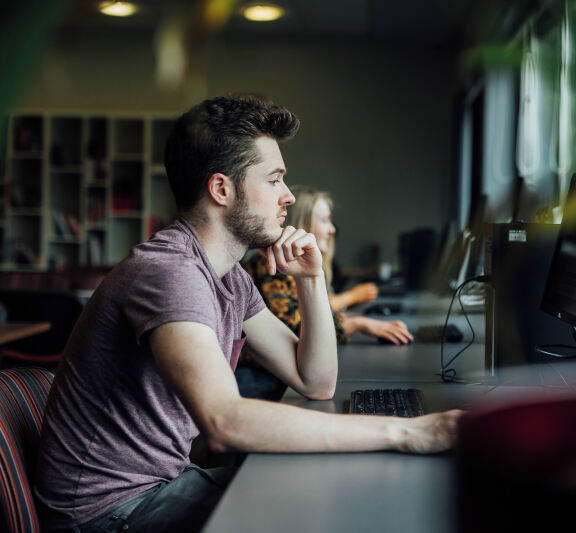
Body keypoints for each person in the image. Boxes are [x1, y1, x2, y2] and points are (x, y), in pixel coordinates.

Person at [34, 94, 462, 533]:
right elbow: (226, 422)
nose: (289, 196)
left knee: (335, 485)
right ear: (222, 189)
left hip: (158, 487)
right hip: (105, 514)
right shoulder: (170, 272)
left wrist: (310, 280)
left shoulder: (228, 277)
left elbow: (316, 381)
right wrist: (406, 432)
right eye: (275, 180)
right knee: (331, 507)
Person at [242, 186, 413, 346]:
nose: (332, 230)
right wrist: (358, 324)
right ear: (302, 225)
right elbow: (296, 334)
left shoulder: (303, 265)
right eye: (325, 221)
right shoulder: (271, 266)